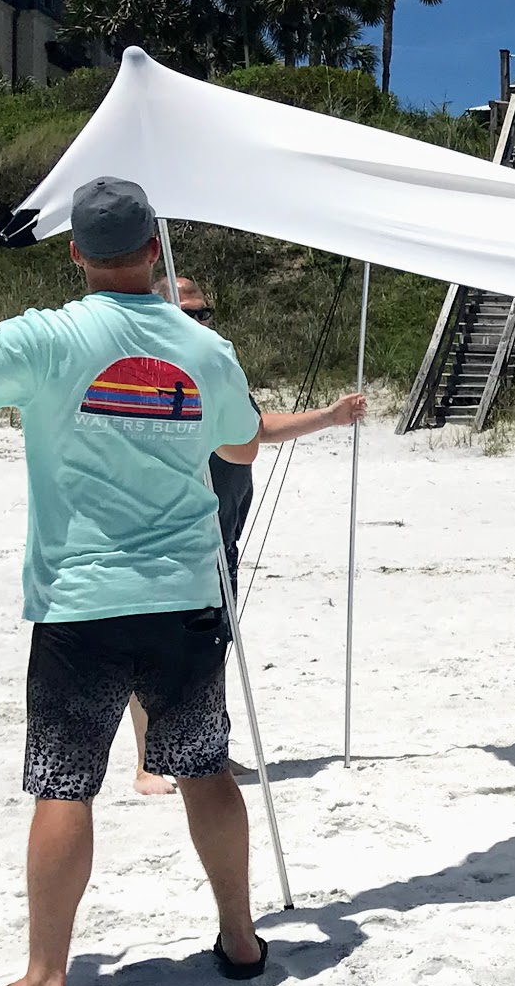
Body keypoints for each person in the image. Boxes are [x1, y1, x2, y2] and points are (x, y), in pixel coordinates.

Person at [0, 177, 270, 986]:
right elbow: (242, 441)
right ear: (153, 251)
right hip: (184, 592)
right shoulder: (201, 346)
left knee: (65, 786)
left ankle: (43, 983)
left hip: (82, 600)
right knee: (204, 768)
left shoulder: (50, 336)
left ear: (75, 253)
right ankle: (241, 940)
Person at [128, 275, 366, 795]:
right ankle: (149, 762)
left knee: (212, 647)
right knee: (152, 652)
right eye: (186, 313)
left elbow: (253, 430)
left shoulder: (217, 367)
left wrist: (329, 416)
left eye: (204, 312)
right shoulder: (145, 371)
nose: (198, 322)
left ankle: (205, 750)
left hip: (221, 537)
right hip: (165, 536)